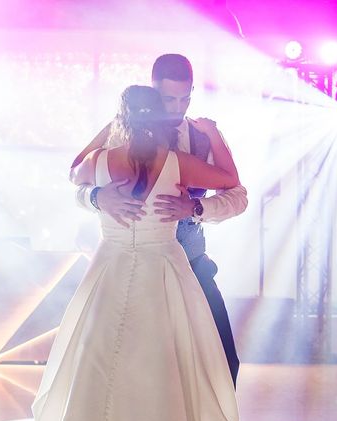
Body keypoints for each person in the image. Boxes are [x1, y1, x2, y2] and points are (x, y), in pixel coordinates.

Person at [33, 85, 252, 421]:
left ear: (124, 117)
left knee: (100, 369)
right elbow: (230, 177)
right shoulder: (176, 162)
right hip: (164, 272)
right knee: (166, 371)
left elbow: (73, 168)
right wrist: (215, 133)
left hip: (110, 271)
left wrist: (107, 142)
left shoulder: (100, 162)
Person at [73, 53, 245, 387]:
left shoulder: (201, 136)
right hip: (129, 271)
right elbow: (75, 177)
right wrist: (96, 197)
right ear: (153, 92)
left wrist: (197, 209)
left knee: (223, 363)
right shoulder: (117, 134)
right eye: (169, 99)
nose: (178, 108)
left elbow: (238, 195)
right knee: (125, 371)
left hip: (192, 265)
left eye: (186, 98)